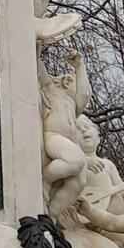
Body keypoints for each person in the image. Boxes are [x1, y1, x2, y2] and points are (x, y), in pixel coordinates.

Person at [38, 50, 90, 219]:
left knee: (79, 182)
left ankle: (51, 215)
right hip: (52, 136)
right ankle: (46, 177)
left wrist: (79, 66)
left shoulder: (73, 103)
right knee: (76, 161)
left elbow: (84, 94)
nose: (77, 88)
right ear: (67, 82)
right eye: (75, 81)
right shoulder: (50, 89)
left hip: (67, 143)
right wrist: (37, 45)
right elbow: (37, 63)